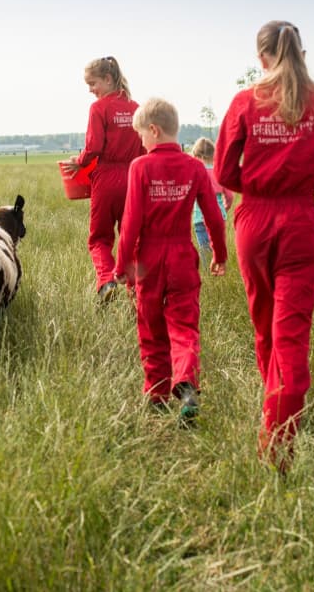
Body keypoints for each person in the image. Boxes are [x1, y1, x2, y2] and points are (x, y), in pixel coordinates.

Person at [213, 21, 314, 472]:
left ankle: (275, 424)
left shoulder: (243, 102)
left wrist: (259, 182)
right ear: (302, 53)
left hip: (254, 220)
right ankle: (279, 438)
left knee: (264, 328)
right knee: (290, 335)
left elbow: (225, 172)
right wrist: (301, 181)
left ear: (262, 58)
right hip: (297, 221)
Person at [113, 98, 227, 425]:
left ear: (153, 130)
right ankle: (187, 381)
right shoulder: (194, 168)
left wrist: (122, 267)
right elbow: (214, 220)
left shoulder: (140, 167)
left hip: (147, 258)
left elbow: (131, 223)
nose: (141, 143)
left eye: (142, 136)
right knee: (184, 325)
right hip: (181, 256)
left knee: (150, 327)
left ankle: (158, 392)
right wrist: (219, 255)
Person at [61, 56, 144, 304]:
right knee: (134, 238)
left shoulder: (98, 108)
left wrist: (81, 160)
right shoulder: (136, 107)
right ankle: (137, 293)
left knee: (99, 239)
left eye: (92, 83)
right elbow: (144, 148)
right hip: (133, 178)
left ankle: (107, 280)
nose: (90, 90)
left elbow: (94, 146)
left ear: (108, 79)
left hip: (106, 179)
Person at [190, 137, 233, 268]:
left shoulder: (196, 172)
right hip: (219, 216)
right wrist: (225, 208)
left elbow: (190, 195)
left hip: (199, 218)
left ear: (197, 156)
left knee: (204, 249)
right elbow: (229, 196)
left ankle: (207, 271)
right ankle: (220, 269)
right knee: (218, 247)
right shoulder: (219, 172)